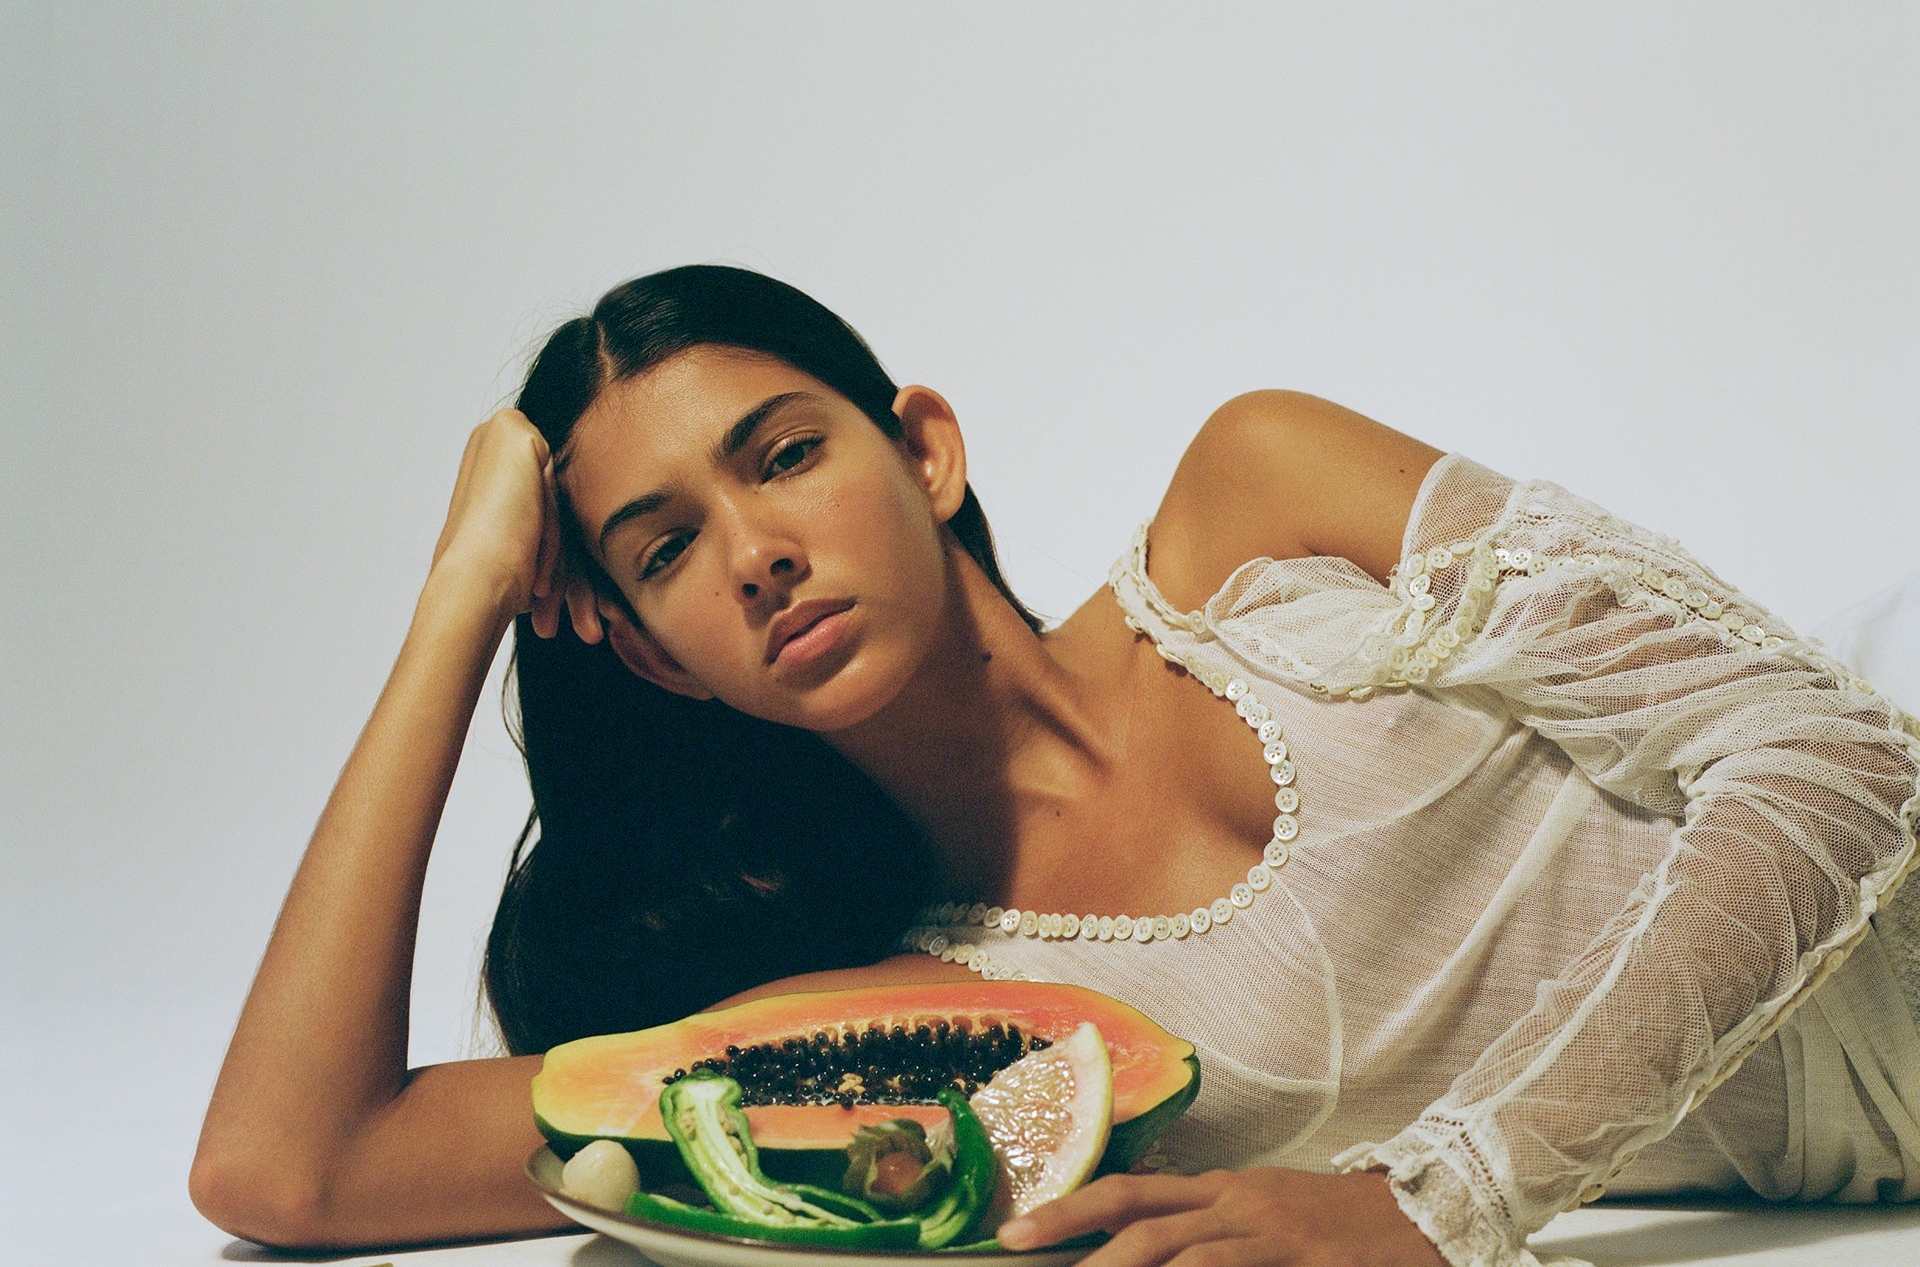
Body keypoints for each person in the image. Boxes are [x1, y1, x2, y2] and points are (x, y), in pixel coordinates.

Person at [190, 265, 1920, 1267]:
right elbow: (288, 1168)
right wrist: (458, 600)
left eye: (782, 456)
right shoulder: (924, 1016)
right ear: (652, 652)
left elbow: (1833, 758)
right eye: (662, 549)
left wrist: (1435, 1205)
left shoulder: (1254, 504)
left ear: (925, 451)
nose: (755, 553)